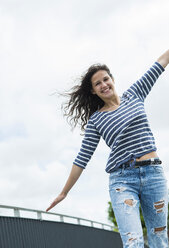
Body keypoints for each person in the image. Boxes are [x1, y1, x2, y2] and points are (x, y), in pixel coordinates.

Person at [46, 49, 169, 248]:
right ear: (93, 91)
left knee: (159, 242)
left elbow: (161, 62)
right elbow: (82, 158)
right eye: (97, 84)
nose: (103, 85)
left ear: (112, 79)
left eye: (105, 79)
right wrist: (64, 192)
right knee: (133, 242)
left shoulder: (134, 94)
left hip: (153, 174)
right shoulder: (96, 120)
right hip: (123, 180)